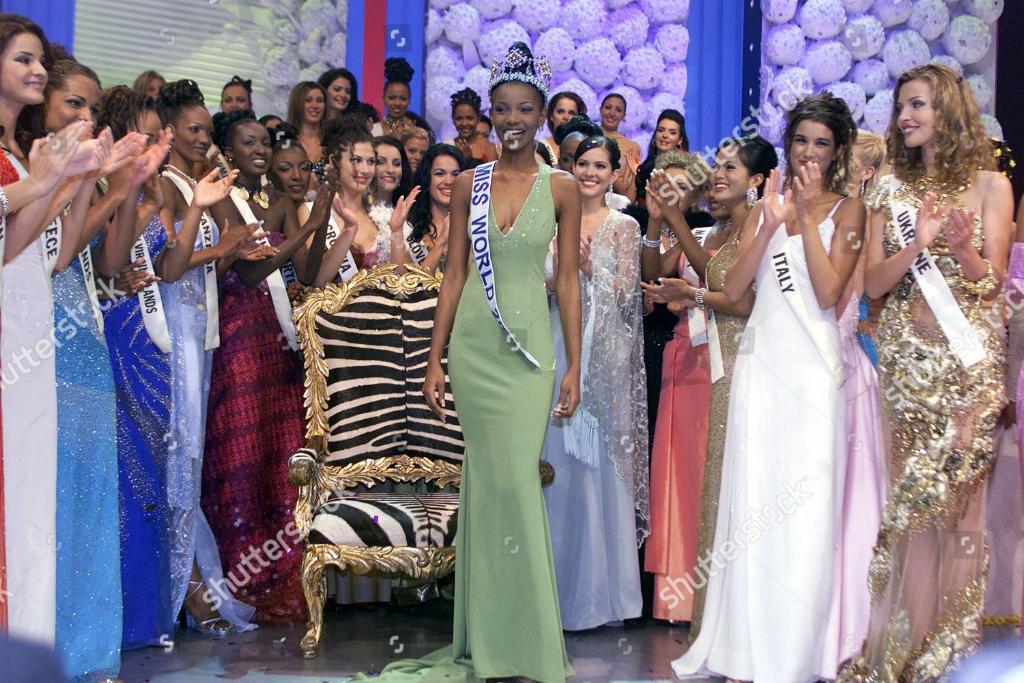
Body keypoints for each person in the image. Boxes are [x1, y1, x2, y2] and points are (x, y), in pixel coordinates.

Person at [359, 41, 582, 682]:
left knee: (517, 484)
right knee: (486, 486)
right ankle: (490, 642)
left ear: (541, 114)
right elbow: (454, 275)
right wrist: (434, 359)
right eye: (502, 109)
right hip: (475, 351)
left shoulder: (562, 188)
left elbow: (568, 280)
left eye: (525, 109)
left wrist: (574, 365)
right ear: (490, 114)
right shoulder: (467, 184)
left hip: (530, 355)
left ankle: (528, 644)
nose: (513, 120)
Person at [674, 92, 865, 681]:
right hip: (762, 366)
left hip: (813, 371)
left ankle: (798, 651)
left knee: (805, 507)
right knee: (754, 504)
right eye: (801, 140)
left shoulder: (851, 211)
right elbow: (734, 287)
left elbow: (829, 292)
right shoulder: (766, 208)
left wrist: (805, 216)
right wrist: (773, 222)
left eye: (821, 143)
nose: (809, 152)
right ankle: (745, 649)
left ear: (837, 151)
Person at [839, 64, 1013, 681]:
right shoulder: (887, 189)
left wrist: (962, 247)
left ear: (948, 110)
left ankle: (951, 655)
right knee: (910, 510)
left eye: (918, 104)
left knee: (961, 512)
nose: (905, 116)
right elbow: (872, 285)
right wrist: (919, 243)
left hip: (968, 369)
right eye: (901, 106)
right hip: (907, 368)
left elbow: (991, 285)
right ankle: (900, 653)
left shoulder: (992, 186)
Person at [202, 109, 332, 622]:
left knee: (277, 455)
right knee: (240, 455)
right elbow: (253, 271)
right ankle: (241, 576)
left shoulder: (275, 201)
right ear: (228, 151)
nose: (259, 150)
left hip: (276, 342)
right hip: (239, 338)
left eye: (263, 142)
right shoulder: (222, 197)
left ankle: (281, 571)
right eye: (248, 143)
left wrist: (319, 214)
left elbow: (306, 270)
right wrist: (306, 230)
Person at [642, 137, 776, 627]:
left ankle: (714, 599)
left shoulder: (758, 228)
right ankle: (676, 598)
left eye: (730, 168)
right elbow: (654, 274)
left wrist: (691, 287)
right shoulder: (704, 229)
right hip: (684, 359)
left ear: (756, 181)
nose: (718, 175)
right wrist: (656, 221)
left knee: (714, 473)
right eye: (717, 166)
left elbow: (730, 291)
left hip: (727, 360)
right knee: (678, 474)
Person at [156, 79, 259, 636]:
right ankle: (185, 589)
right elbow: (169, 265)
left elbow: (216, 262)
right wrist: (222, 245)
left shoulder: (199, 185)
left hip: (200, 330)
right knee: (180, 455)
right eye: (193, 130)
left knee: (190, 459)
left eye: (207, 131)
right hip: (173, 331)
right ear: (169, 132)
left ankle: (187, 583)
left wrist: (227, 245)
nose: (203, 139)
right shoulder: (167, 185)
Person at [541, 134, 648, 630]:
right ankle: (555, 594)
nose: (589, 173)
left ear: (614, 174)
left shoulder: (624, 226)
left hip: (605, 356)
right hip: (556, 345)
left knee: (598, 465)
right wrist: (555, 277)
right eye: (582, 163)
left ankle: (601, 599)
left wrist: (587, 267)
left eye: (600, 166)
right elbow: (538, 285)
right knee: (559, 463)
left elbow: (628, 295)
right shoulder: (551, 221)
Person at [95, 84, 178, 650]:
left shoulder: (150, 186)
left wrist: (156, 197)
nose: (152, 148)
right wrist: (139, 194)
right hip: (112, 332)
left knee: (152, 474)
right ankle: (114, 617)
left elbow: (165, 263)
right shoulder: (100, 186)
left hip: (150, 339)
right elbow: (108, 262)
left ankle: (146, 614)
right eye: (143, 136)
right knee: (123, 474)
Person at [303, 122, 418, 287]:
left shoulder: (382, 216)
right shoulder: (310, 211)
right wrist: (349, 230)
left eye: (371, 162)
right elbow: (316, 283)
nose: (365, 170)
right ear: (334, 162)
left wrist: (397, 232)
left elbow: (405, 282)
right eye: (356, 160)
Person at [407, 143, 468, 273]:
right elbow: (411, 282)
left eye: (456, 174)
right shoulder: (407, 228)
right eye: (440, 174)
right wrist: (441, 243)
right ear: (427, 178)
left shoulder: (474, 224)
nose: (449, 181)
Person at [635, 109, 687, 205]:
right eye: (661, 130)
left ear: (680, 140)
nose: (665, 135)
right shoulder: (646, 166)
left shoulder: (684, 169)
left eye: (672, 132)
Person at [372, 57, 430, 139]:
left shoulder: (418, 133)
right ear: (383, 99)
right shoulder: (373, 131)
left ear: (409, 100)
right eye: (392, 98)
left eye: (403, 99)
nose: (397, 103)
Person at [598, 93, 640, 195]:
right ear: (600, 110)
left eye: (618, 110)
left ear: (623, 116)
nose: (612, 113)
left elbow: (628, 190)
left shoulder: (632, 147)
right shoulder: (587, 137)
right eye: (608, 107)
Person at [286, 81, 326, 179]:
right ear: (297, 104)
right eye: (308, 100)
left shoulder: (332, 142)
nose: (315, 106)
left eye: (320, 101)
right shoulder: (287, 140)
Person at [446, 87, 497, 164]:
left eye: (469, 118)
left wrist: (469, 161)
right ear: (453, 119)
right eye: (459, 118)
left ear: (478, 118)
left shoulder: (490, 148)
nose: (464, 123)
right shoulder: (446, 147)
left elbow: (491, 172)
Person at [540, 91, 586, 162]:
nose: (566, 117)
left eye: (571, 113)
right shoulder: (540, 146)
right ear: (551, 116)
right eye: (560, 112)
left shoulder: (586, 147)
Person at [372, 135, 413, 208]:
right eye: (381, 162)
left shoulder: (410, 211)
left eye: (396, 164)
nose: (390, 170)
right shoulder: (354, 210)